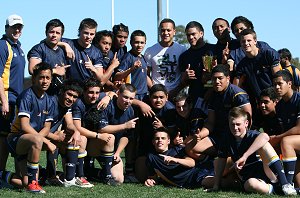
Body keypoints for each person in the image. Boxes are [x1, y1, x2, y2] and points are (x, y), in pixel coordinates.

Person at [211, 107, 296, 195]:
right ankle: (280, 190)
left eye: (238, 124)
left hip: (267, 173)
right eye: (232, 124)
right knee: (249, 184)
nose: (235, 128)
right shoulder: (227, 138)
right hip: (248, 178)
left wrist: (245, 156)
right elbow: (221, 160)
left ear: (246, 123)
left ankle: (285, 184)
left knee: (264, 144)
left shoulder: (251, 135)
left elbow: (265, 136)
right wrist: (216, 185)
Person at [6, 62, 56, 193]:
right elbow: (24, 126)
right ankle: (34, 183)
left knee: (23, 183)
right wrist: (45, 141)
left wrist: (43, 139)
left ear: (51, 80)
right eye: (41, 77)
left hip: (33, 140)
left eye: (48, 78)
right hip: (16, 138)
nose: (45, 81)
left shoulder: (50, 100)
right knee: (38, 140)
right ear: (34, 79)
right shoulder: (26, 96)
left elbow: (47, 127)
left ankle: (3, 176)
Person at [185, 64, 251, 160]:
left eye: (220, 78)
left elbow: (248, 120)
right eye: (214, 78)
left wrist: (240, 140)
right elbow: (210, 123)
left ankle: (226, 162)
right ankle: (212, 164)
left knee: (231, 157)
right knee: (190, 147)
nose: (217, 82)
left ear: (228, 78)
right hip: (219, 136)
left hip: (235, 136)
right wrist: (200, 135)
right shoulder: (212, 94)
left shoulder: (238, 94)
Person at [72, 77, 116, 185]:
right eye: (91, 92)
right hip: (78, 141)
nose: (94, 96)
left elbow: (114, 91)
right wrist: (98, 136)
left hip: (92, 142)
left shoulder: (100, 97)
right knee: (82, 139)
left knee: (110, 138)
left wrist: (108, 97)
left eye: (97, 92)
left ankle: (106, 176)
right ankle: (80, 175)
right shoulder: (78, 103)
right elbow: (78, 128)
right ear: (84, 92)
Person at [145, 127, 214, 189]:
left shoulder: (177, 149)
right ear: (153, 142)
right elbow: (153, 177)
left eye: (163, 138)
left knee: (221, 168)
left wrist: (175, 160)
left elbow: (191, 163)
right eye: (157, 138)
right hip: (193, 179)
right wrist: (150, 181)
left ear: (168, 141)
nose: (160, 140)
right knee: (215, 181)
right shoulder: (151, 157)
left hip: (199, 170)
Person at [98, 83, 139, 184]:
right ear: (118, 94)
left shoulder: (130, 111)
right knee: (110, 137)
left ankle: (94, 173)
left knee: (118, 179)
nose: (128, 101)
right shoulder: (107, 104)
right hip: (98, 144)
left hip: (113, 150)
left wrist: (118, 153)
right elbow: (102, 128)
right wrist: (124, 126)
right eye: (125, 97)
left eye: (131, 98)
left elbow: (126, 136)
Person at [0, 14, 25, 177]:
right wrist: (4, 101)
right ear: (6, 28)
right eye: (13, 27)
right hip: (7, 98)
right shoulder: (3, 45)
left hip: (16, 99)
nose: (17, 30)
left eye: (19, 27)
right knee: (2, 138)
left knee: (11, 137)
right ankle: (1, 173)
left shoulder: (19, 47)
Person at [135, 84, 176, 182]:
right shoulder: (144, 102)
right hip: (146, 144)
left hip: (164, 148)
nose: (158, 100)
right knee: (141, 177)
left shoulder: (171, 110)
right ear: (149, 97)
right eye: (155, 97)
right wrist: (141, 104)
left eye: (161, 97)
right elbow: (126, 97)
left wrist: (162, 127)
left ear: (167, 97)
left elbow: (174, 132)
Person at [59, 18, 110, 84]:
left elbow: (100, 78)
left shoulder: (96, 53)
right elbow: (46, 41)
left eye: (92, 34)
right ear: (79, 31)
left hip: (86, 90)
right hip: (69, 88)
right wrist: (65, 45)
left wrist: (93, 68)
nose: (88, 37)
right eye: (86, 33)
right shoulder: (69, 43)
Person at [144, 18, 186, 99]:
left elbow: (184, 74)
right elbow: (146, 74)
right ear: (159, 31)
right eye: (163, 30)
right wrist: (155, 90)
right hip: (157, 96)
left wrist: (176, 90)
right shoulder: (150, 51)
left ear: (174, 31)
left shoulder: (182, 49)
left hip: (177, 95)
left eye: (168, 30)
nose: (165, 33)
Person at [272, 70, 300, 187]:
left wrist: (278, 138)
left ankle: (287, 184)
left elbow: (299, 129)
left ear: (289, 84)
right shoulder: (279, 106)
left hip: (294, 141)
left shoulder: (298, 100)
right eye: (274, 84)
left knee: (286, 141)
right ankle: (271, 181)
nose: (277, 87)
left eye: (280, 84)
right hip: (295, 145)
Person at [27, 19, 69, 95]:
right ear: (46, 32)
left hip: (58, 95)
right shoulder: (38, 49)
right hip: (41, 94)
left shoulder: (63, 51)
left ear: (61, 35)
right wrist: (55, 71)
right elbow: (32, 69)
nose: (54, 35)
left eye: (57, 33)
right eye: (51, 32)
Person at [179, 21, 215, 101]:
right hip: (194, 98)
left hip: (214, 97)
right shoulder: (184, 56)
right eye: (188, 35)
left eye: (193, 34)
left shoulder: (212, 50)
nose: (191, 37)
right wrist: (185, 77)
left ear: (201, 33)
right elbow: (183, 83)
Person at [114, 30, 151, 100]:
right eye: (136, 42)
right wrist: (131, 69)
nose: (139, 45)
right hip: (133, 97)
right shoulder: (128, 57)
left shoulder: (143, 58)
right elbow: (117, 76)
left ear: (145, 43)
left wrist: (153, 89)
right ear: (131, 43)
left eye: (142, 43)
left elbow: (145, 76)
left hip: (144, 96)